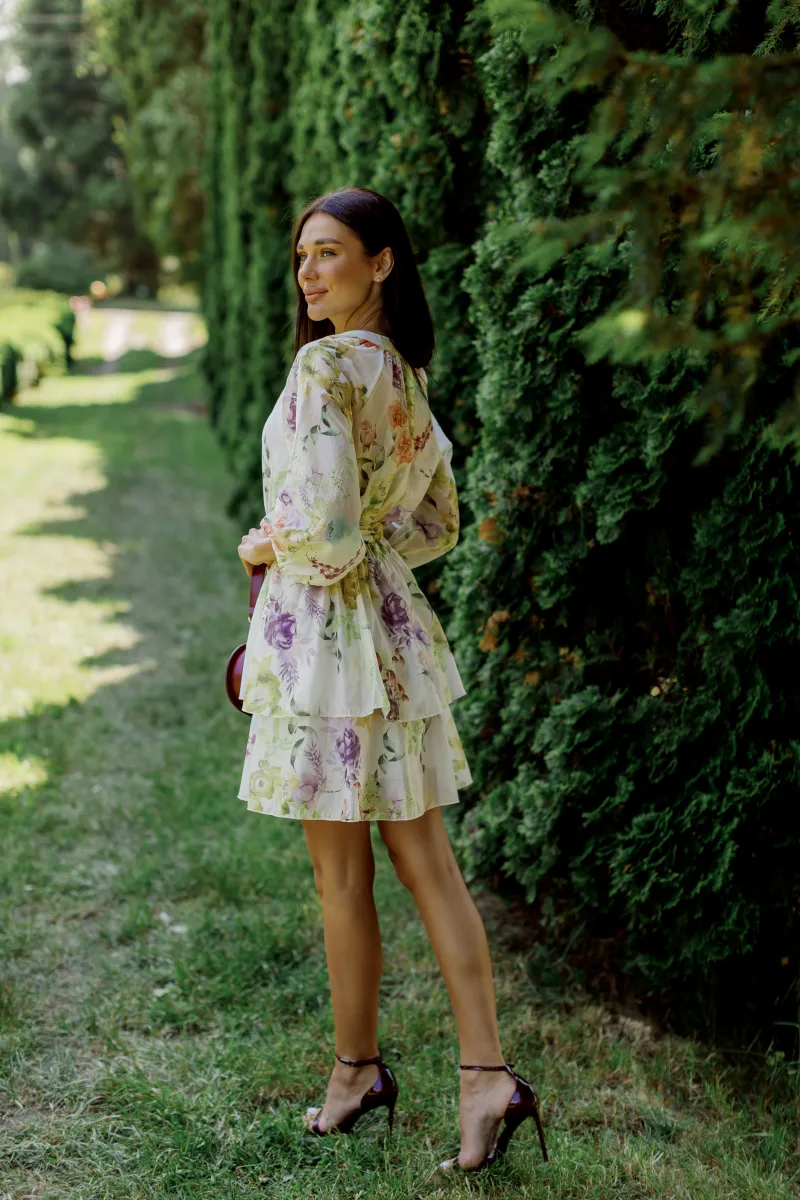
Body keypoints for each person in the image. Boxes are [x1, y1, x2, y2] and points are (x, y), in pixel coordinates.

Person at [235, 186, 547, 1174]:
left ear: (381, 263)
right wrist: (362, 549)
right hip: (393, 636)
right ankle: (484, 1076)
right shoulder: (403, 373)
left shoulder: (325, 365)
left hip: (331, 647)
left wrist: (266, 544)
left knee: (341, 875)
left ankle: (356, 1071)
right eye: (302, 256)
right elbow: (436, 524)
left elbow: (325, 534)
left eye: (329, 252)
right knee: (429, 865)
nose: (308, 271)